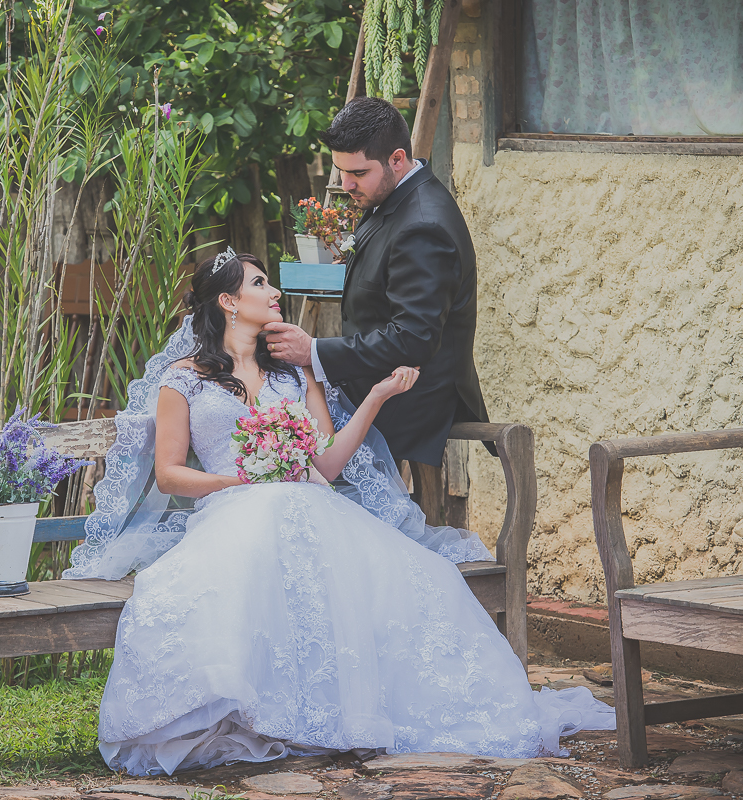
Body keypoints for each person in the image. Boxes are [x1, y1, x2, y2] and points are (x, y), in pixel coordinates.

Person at [63, 248, 614, 777]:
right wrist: (245, 478)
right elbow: (169, 473)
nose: (273, 291)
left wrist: (374, 398)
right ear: (228, 302)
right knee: (261, 525)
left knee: (429, 578)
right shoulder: (183, 379)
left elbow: (324, 465)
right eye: (259, 283)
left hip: (309, 506)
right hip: (233, 510)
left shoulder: (293, 374)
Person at [264, 97, 492, 508]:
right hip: (369, 381)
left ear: (398, 159)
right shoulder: (390, 196)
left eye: (358, 173)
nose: (346, 184)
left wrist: (313, 350)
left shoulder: (423, 225)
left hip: (409, 400)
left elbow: (414, 338)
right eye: (341, 171)